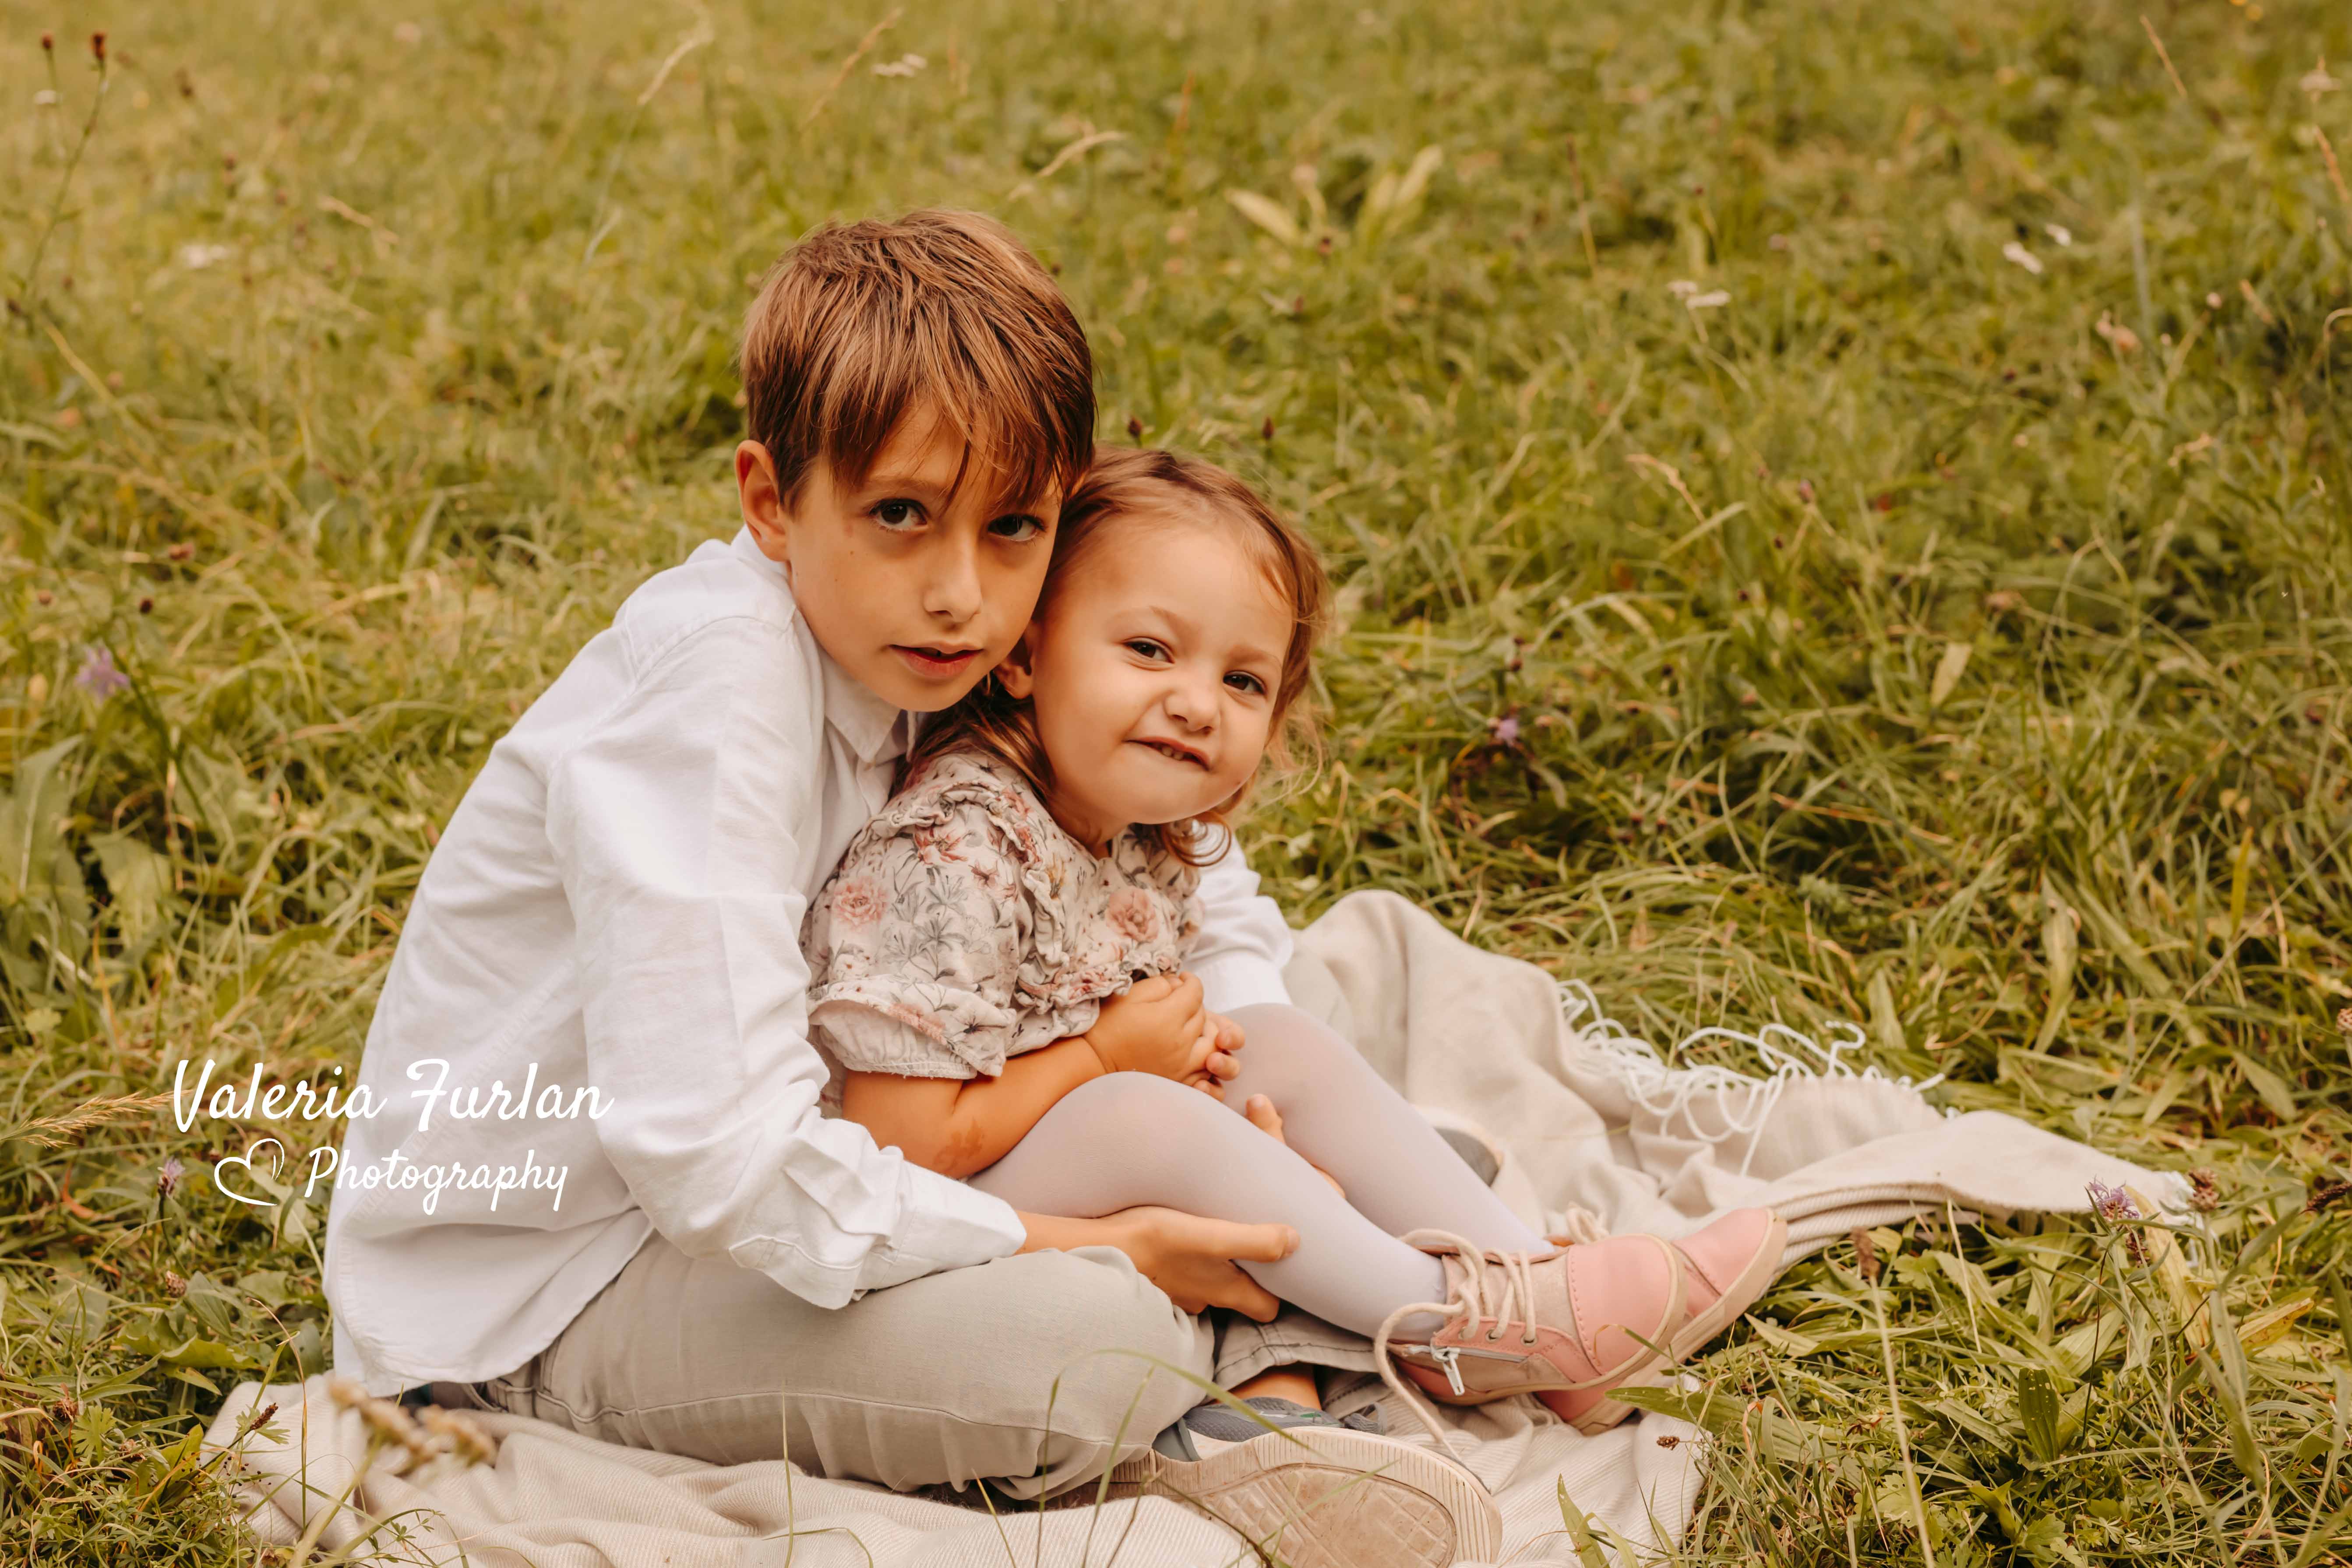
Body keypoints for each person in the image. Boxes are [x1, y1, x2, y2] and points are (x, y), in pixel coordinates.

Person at [320, 210, 1493, 1565]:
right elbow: (719, 1165)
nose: (959, 593)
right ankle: (1252, 1357)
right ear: (771, 500)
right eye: (898, 514)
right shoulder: (721, 694)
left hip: (854, 1157)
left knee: (1286, 1049)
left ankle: (1297, 1282)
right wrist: (1088, 1235)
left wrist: (1235, 1071)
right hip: (553, 1283)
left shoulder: (937, 650)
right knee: (1086, 1335)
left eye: (1012, 529)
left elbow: (1199, 895)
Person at [802, 445, 1788, 1471]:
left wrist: (1229, 1108)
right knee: (1146, 1111)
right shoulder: (957, 850)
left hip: (1049, 1140)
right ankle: (1459, 1323)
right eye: (1148, 649)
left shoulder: (1133, 830)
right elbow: (900, 1145)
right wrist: (1109, 1061)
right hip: (916, 1216)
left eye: (1241, 680)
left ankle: (1534, 1292)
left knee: (1272, 1042)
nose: (1197, 703)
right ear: (1024, 655)